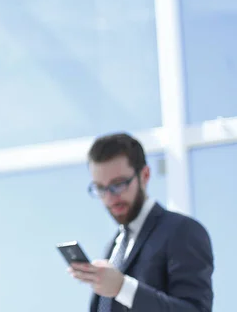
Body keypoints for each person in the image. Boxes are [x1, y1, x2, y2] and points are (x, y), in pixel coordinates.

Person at [69, 133, 214, 312]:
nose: (110, 197)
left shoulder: (183, 231)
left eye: (119, 184)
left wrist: (123, 288)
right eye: (101, 188)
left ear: (144, 176)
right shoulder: (116, 243)